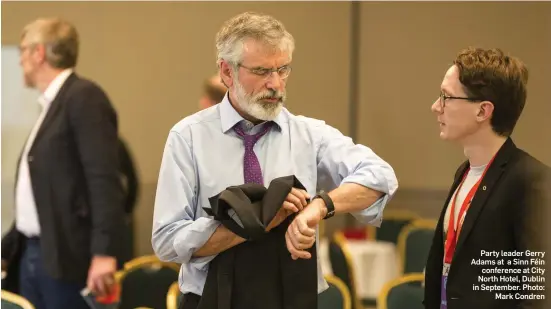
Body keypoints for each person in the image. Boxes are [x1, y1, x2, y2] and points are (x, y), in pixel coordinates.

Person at [152, 11, 398, 309]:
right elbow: (167, 240)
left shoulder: (309, 135)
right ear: (227, 72)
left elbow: (380, 176)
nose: (276, 84)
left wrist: (317, 208)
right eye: (262, 71)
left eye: (283, 70)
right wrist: (259, 218)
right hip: (211, 299)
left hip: (292, 299)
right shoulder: (188, 137)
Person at [1, 17, 124, 309]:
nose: (19, 61)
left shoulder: (83, 97)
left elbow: (103, 179)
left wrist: (104, 254)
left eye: (23, 51)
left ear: (39, 53)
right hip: (34, 253)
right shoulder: (51, 105)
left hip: (66, 256)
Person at [424, 47, 550, 309]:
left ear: (483, 111)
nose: (436, 107)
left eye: (446, 97)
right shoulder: (464, 172)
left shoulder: (531, 180)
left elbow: (537, 293)